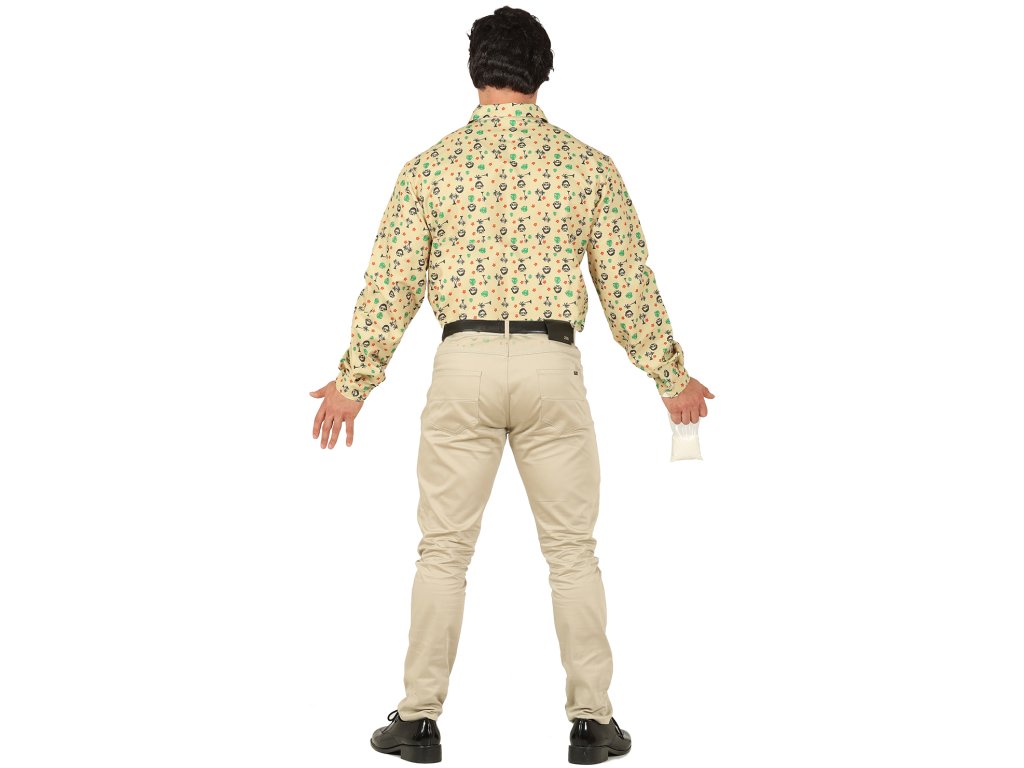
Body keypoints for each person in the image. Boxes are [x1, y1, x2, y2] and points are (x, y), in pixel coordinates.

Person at [309, 6, 715, 764]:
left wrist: (352, 382)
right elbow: (627, 284)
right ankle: (592, 723)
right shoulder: (587, 166)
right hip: (550, 366)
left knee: (442, 552)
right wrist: (671, 378)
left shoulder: (430, 167)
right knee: (572, 552)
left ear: (475, 69)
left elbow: (390, 284)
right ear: (543, 70)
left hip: (461, 363)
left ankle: (417, 720)